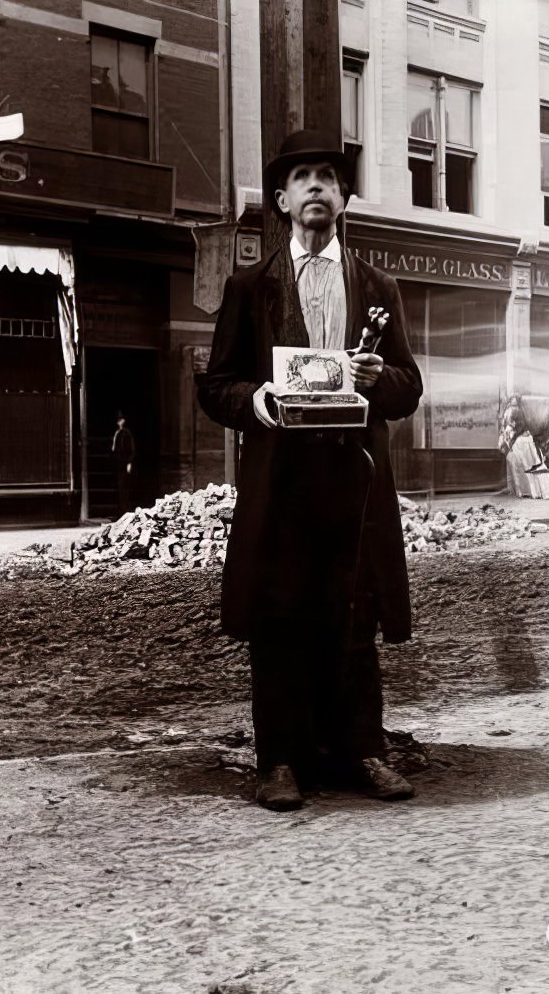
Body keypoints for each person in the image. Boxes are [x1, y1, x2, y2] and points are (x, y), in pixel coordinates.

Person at [197, 128, 424, 812]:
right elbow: (218, 385)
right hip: (281, 481)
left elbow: (409, 386)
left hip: (354, 483)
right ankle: (280, 762)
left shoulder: (377, 285)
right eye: (303, 178)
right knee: (280, 614)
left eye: (329, 175)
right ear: (281, 199)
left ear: (345, 197)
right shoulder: (250, 286)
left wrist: (379, 377)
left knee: (354, 615)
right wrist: (259, 400)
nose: (317, 186)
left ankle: (362, 750)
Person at [111, 411, 136, 517]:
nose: (120, 422)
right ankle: (120, 511)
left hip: (124, 463)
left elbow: (131, 449)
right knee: (120, 488)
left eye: (121, 420)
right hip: (118, 463)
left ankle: (125, 511)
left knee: (124, 488)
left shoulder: (126, 433)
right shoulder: (117, 433)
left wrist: (129, 462)